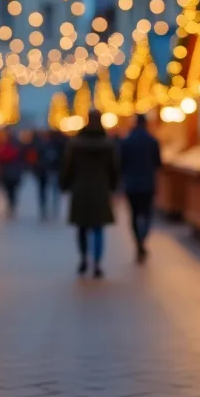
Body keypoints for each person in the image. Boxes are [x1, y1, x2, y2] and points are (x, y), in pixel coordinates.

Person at [60, 109, 118, 279]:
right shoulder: (107, 144)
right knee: (99, 227)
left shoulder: (76, 144)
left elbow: (68, 167)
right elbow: (113, 168)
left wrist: (65, 184)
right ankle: (97, 262)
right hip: (101, 189)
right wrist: (113, 186)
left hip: (80, 189)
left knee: (82, 227)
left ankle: (84, 257)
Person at [118, 113, 161, 263]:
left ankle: (138, 241)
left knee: (134, 215)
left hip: (131, 184)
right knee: (147, 214)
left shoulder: (127, 141)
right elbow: (158, 163)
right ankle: (143, 238)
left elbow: (121, 163)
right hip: (147, 183)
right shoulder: (152, 141)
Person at [0, 130, 24, 216]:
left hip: (7, 172)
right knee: (12, 190)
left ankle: (11, 203)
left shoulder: (5, 147)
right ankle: (12, 203)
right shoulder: (18, 148)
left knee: (9, 190)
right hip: (14, 172)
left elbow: (0, 157)